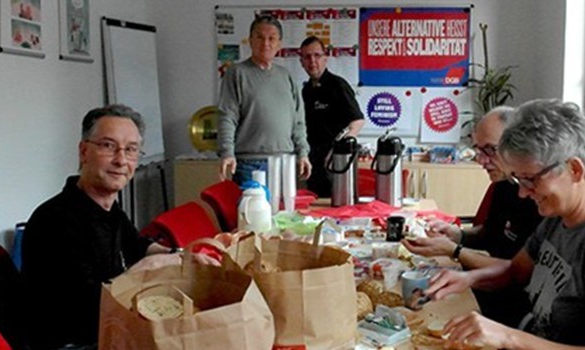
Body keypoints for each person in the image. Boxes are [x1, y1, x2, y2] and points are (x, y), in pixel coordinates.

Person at [426, 99, 585, 349]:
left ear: (574, 169)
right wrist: (468, 279)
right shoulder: (558, 215)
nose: (523, 193)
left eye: (530, 180)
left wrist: (508, 336)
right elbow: (515, 271)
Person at [21, 105, 214, 349]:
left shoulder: (107, 207)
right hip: (76, 341)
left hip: (109, 328)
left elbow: (137, 245)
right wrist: (147, 268)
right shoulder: (55, 221)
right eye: (108, 146)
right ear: (83, 152)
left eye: (131, 150)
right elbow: (87, 310)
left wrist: (179, 255)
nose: (121, 159)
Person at [402, 106, 543, 326]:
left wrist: (454, 250)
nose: (480, 160)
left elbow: (515, 271)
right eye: (478, 150)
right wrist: (456, 235)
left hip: (507, 306)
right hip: (486, 288)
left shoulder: (541, 202)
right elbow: (490, 234)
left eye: (490, 150)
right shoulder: (506, 185)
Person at [218, 15, 311, 185]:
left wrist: (303, 153)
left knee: (285, 212)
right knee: (253, 212)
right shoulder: (236, 73)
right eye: (260, 37)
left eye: (271, 38)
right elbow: (227, 117)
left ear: (279, 44)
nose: (265, 43)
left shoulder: (286, 76)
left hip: (285, 162)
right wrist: (227, 152)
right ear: (250, 40)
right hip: (249, 164)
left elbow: (298, 122)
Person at [298, 35, 365, 197]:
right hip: (314, 162)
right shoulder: (306, 90)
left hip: (338, 162)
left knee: (339, 206)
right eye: (307, 57)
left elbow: (357, 121)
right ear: (301, 62)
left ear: (325, 58)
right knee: (316, 208)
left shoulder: (337, 85)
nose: (312, 61)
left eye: (317, 55)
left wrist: (338, 152)